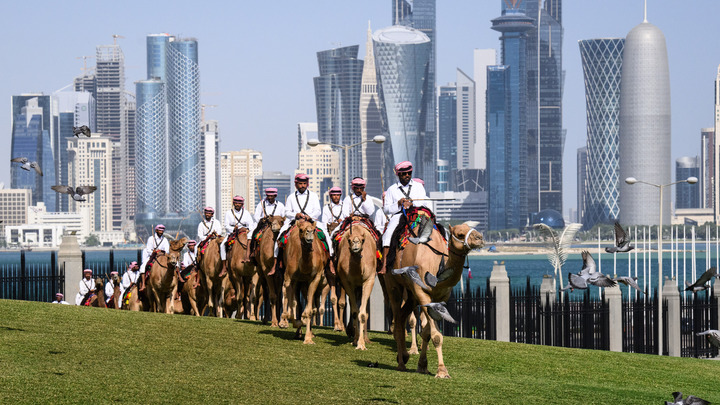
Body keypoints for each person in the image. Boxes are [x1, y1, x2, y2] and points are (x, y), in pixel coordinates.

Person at [269, 173, 329, 275]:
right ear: (296, 184)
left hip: (310, 222)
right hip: (295, 223)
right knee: (280, 237)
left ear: (307, 184)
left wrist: (309, 216)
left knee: (326, 236)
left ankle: (329, 263)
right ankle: (276, 264)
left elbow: (318, 211)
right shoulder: (291, 197)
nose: (302, 186)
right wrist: (295, 215)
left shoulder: (313, 196)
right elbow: (287, 212)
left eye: (304, 183)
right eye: (300, 183)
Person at [379, 161, 429, 274]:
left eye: (409, 173)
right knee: (387, 235)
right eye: (404, 173)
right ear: (398, 175)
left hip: (417, 214)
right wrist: (398, 204)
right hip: (399, 216)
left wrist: (412, 203)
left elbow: (423, 202)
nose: (407, 175)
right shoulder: (392, 189)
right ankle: (385, 264)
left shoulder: (418, 186)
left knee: (436, 229)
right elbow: (386, 209)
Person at [221, 195, 256, 263]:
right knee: (222, 245)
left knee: (254, 242)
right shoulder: (228, 213)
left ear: (242, 204)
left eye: (239, 203)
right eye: (236, 203)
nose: (237, 204)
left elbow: (251, 224)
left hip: (245, 232)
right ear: (233, 203)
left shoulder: (246, 213)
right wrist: (233, 229)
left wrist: (246, 229)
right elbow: (226, 226)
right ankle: (224, 266)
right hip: (232, 233)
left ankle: (252, 258)